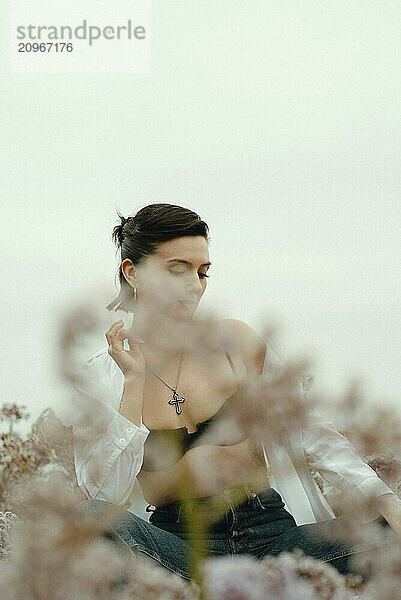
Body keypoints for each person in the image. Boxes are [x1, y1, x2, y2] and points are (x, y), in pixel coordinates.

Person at [73, 203, 401, 586]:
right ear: (133, 272)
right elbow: (102, 494)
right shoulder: (100, 376)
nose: (194, 286)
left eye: (202, 272)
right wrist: (133, 384)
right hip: (180, 551)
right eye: (177, 270)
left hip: (276, 540)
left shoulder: (237, 345)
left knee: (387, 530)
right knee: (89, 519)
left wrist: (384, 500)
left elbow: (315, 434)